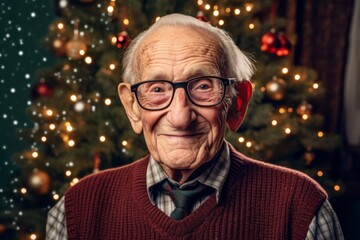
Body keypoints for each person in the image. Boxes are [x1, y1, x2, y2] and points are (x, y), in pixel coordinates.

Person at [46, 13, 344, 239]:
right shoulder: (77, 210)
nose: (180, 116)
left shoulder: (301, 206)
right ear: (132, 107)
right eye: (157, 89)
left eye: (203, 86)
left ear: (236, 103)